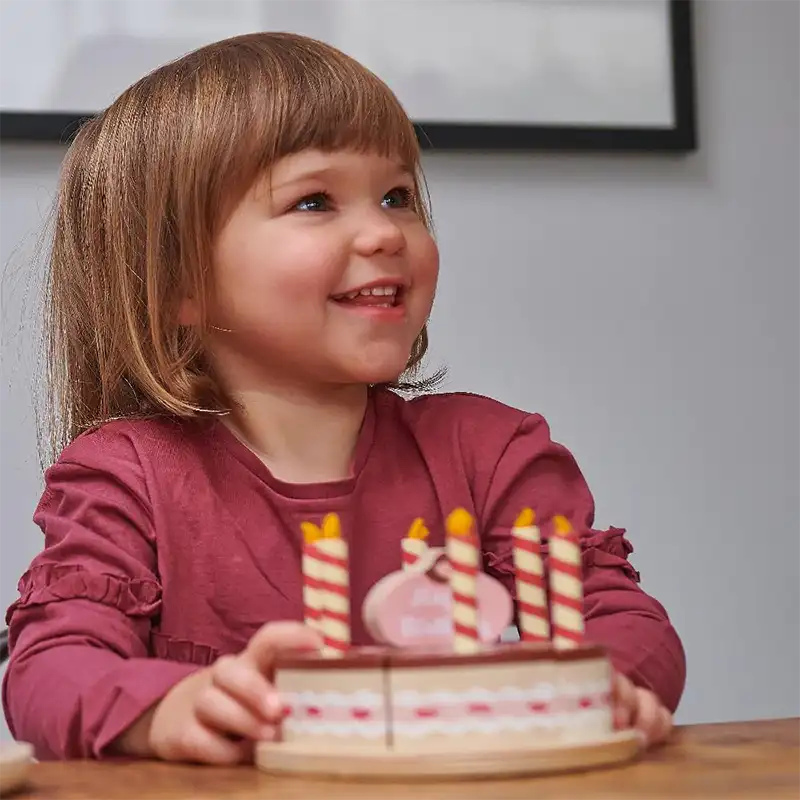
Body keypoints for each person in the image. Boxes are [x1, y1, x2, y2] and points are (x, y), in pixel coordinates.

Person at [2, 32, 685, 764]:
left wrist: (604, 684)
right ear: (178, 284)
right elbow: (49, 671)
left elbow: (623, 620)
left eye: (397, 195)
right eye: (315, 200)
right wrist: (164, 708)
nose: (384, 231)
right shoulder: (127, 477)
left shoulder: (491, 452)